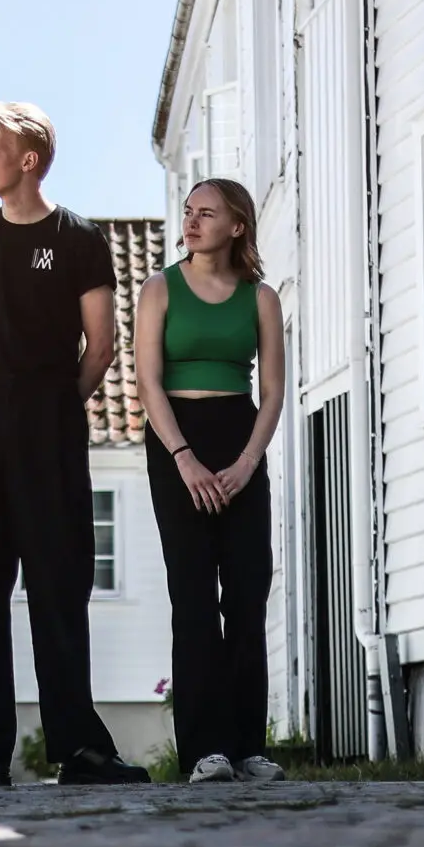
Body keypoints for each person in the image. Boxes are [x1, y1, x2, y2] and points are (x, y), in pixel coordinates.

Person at [0, 102, 147, 787]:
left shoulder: (80, 237)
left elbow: (102, 345)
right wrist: (3, 409)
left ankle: (80, 749)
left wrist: (55, 408)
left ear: (27, 159)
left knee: (60, 586)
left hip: (51, 427)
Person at [133, 179, 288, 784]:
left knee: (246, 595)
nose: (193, 222)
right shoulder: (159, 288)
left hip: (239, 435)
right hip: (177, 440)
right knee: (193, 597)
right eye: (189, 212)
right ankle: (205, 751)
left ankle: (249, 747)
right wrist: (184, 457)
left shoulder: (261, 298)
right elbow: (148, 382)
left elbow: (273, 390)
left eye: (208, 213)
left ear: (237, 226)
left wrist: (248, 461)